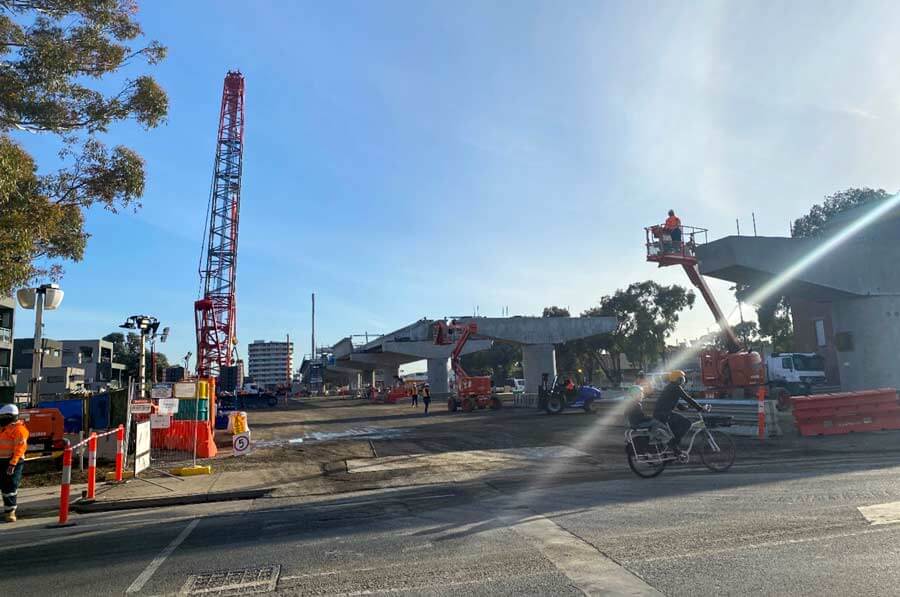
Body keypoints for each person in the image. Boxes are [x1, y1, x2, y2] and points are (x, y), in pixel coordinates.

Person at [652, 370, 708, 454]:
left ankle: (674, 448)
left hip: (660, 414)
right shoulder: (676, 387)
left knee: (677, 427)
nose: (683, 381)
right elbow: (688, 398)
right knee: (687, 423)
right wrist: (700, 408)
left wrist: (685, 408)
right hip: (664, 414)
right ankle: (673, 444)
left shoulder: (670, 387)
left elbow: (674, 401)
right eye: (682, 379)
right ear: (678, 379)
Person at [0, 404, 29, 523]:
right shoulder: (3, 428)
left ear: (11, 417)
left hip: (13, 461)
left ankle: (10, 512)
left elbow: (19, 449)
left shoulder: (19, 430)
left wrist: (12, 464)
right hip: (2, 460)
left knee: (10, 486)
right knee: (4, 485)